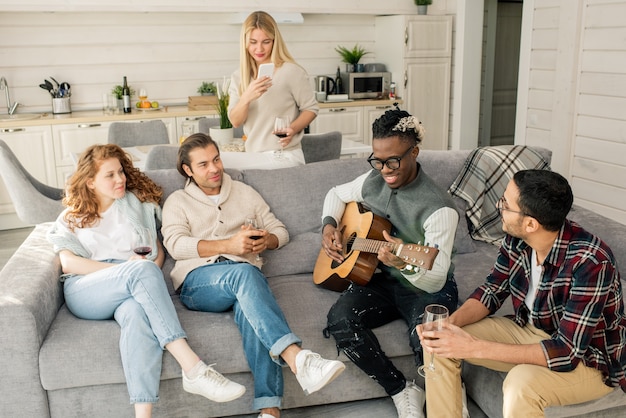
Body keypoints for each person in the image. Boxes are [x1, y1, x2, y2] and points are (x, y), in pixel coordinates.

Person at [46, 144, 245, 418]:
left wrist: (140, 272)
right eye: (110, 175)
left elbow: (157, 253)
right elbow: (69, 263)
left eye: (121, 172)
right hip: (86, 287)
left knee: (137, 315)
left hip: (132, 285)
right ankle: (193, 368)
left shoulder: (136, 206)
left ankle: (143, 415)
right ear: (90, 182)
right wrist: (124, 271)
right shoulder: (72, 217)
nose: (120, 180)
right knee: (141, 270)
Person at [160, 133, 345, 418]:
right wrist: (229, 245)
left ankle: (269, 411)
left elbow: (280, 231)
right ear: (187, 170)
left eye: (217, 159)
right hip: (198, 282)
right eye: (203, 164)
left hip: (244, 279)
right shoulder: (178, 201)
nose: (214, 169)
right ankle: (297, 358)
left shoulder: (244, 192)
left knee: (252, 313)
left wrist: (266, 241)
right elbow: (176, 244)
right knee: (244, 275)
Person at [417, 169, 626, 417]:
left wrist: (472, 347)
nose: (498, 206)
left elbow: (567, 352)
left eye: (505, 203)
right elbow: (491, 292)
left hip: (588, 360)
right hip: (530, 331)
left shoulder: (591, 261)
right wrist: (449, 325)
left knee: (520, 384)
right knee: (440, 340)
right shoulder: (518, 239)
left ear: (530, 223)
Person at [321, 108, 460, 418]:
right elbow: (335, 194)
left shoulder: (439, 208)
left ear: (415, 152)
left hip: (424, 285)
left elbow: (436, 279)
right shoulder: (374, 178)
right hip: (379, 279)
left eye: (393, 160)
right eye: (378, 160)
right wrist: (329, 225)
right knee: (340, 320)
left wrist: (404, 264)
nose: (385, 169)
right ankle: (400, 389)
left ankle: (450, 399)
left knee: (426, 337)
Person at [228, 10, 318, 164]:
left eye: (266, 41)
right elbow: (235, 121)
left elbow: (311, 108)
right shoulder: (239, 77)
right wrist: (247, 97)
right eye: (253, 42)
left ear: (275, 41)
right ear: (244, 42)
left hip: (284, 154)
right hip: (254, 155)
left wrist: (293, 129)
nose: (259, 49)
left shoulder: (291, 71)